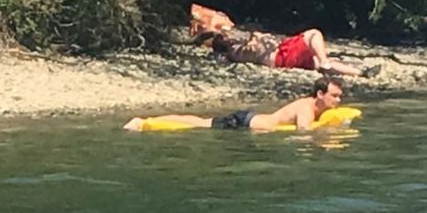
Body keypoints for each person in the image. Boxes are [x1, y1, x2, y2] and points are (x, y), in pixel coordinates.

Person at [123, 77, 347, 132]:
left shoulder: (317, 107)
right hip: (245, 123)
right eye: (335, 96)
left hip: (250, 121)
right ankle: (143, 122)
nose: (338, 100)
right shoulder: (307, 107)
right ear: (320, 94)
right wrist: (329, 133)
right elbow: (303, 132)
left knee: (201, 123)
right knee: (199, 124)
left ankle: (146, 122)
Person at [206, 28, 380, 77]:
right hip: (282, 55)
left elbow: (254, 36)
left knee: (320, 60)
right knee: (314, 34)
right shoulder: (236, 51)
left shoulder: (236, 49)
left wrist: (254, 37)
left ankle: (361, 72)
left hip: (282, 57)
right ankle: (325, 62)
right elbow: (254, 45)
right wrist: (254, 39)